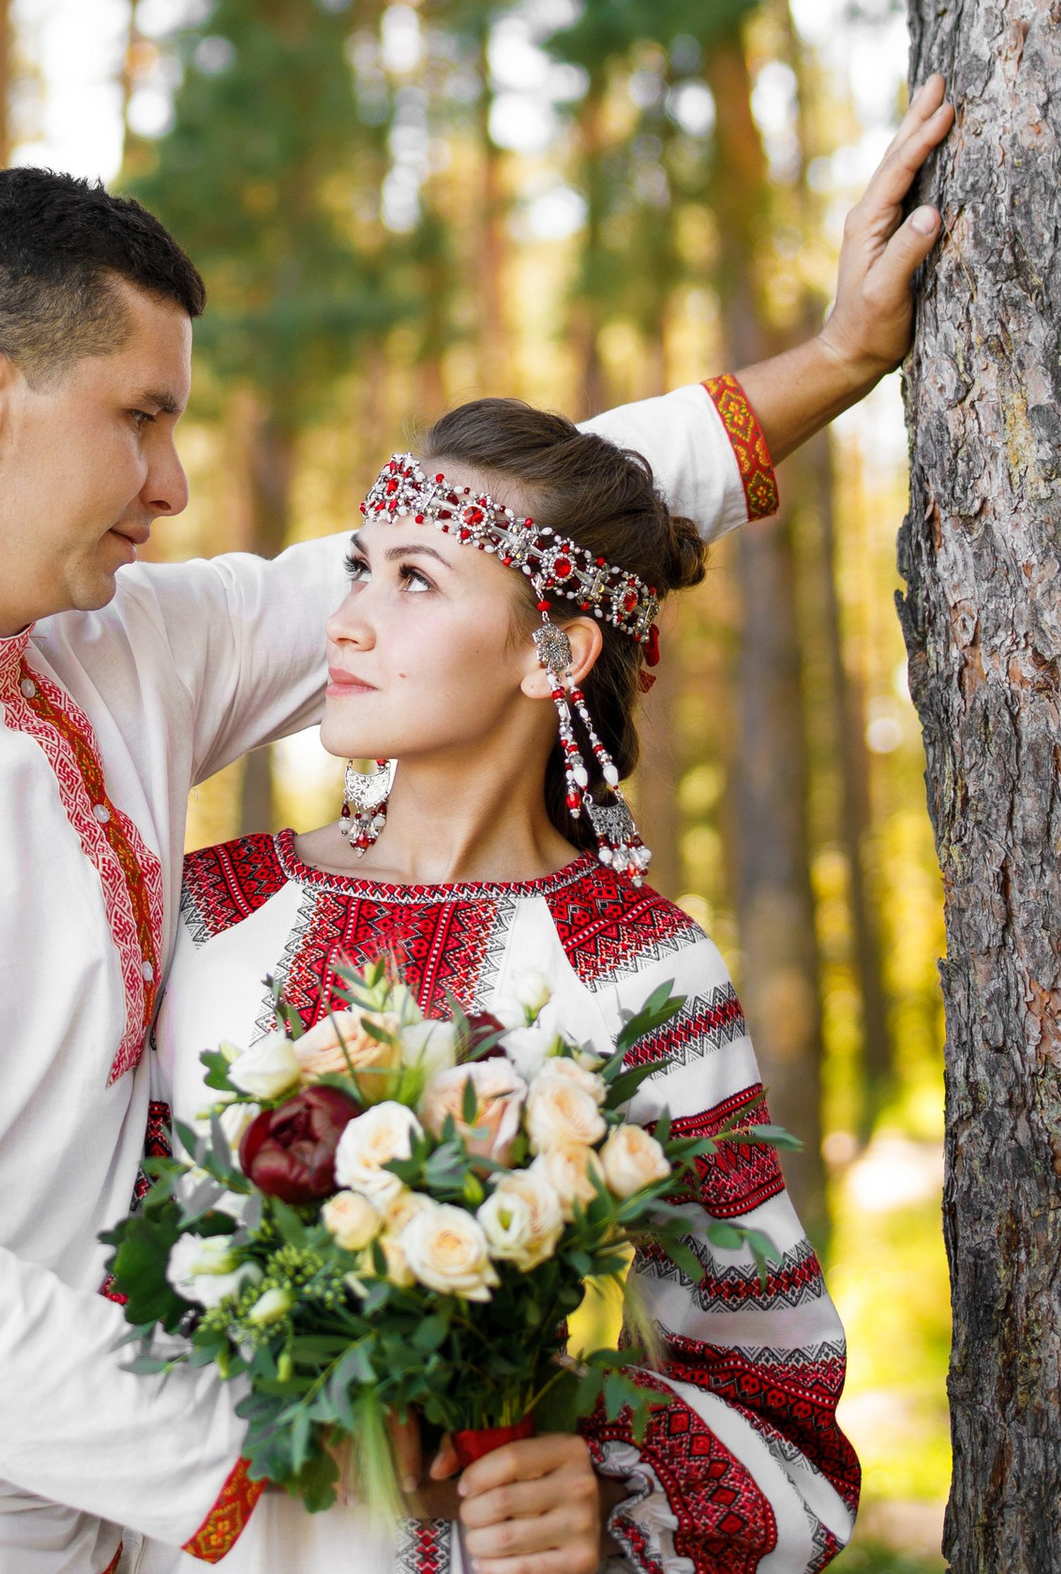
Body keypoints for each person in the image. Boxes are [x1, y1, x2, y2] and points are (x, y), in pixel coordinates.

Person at [0, 79, 952, 1574]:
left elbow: (506, 544)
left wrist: (835, 361)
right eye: (142, 419)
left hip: (60, 1540)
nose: (173, 484)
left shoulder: (116, 649)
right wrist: (330, 1480)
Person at [139, 401, 857, 1574]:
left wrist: (587, 1482)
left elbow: (770, 1390)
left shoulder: (641, 965)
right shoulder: (205, 912)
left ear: (551, 651)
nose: (349, 623)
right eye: (358, 570)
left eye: (413, 581)